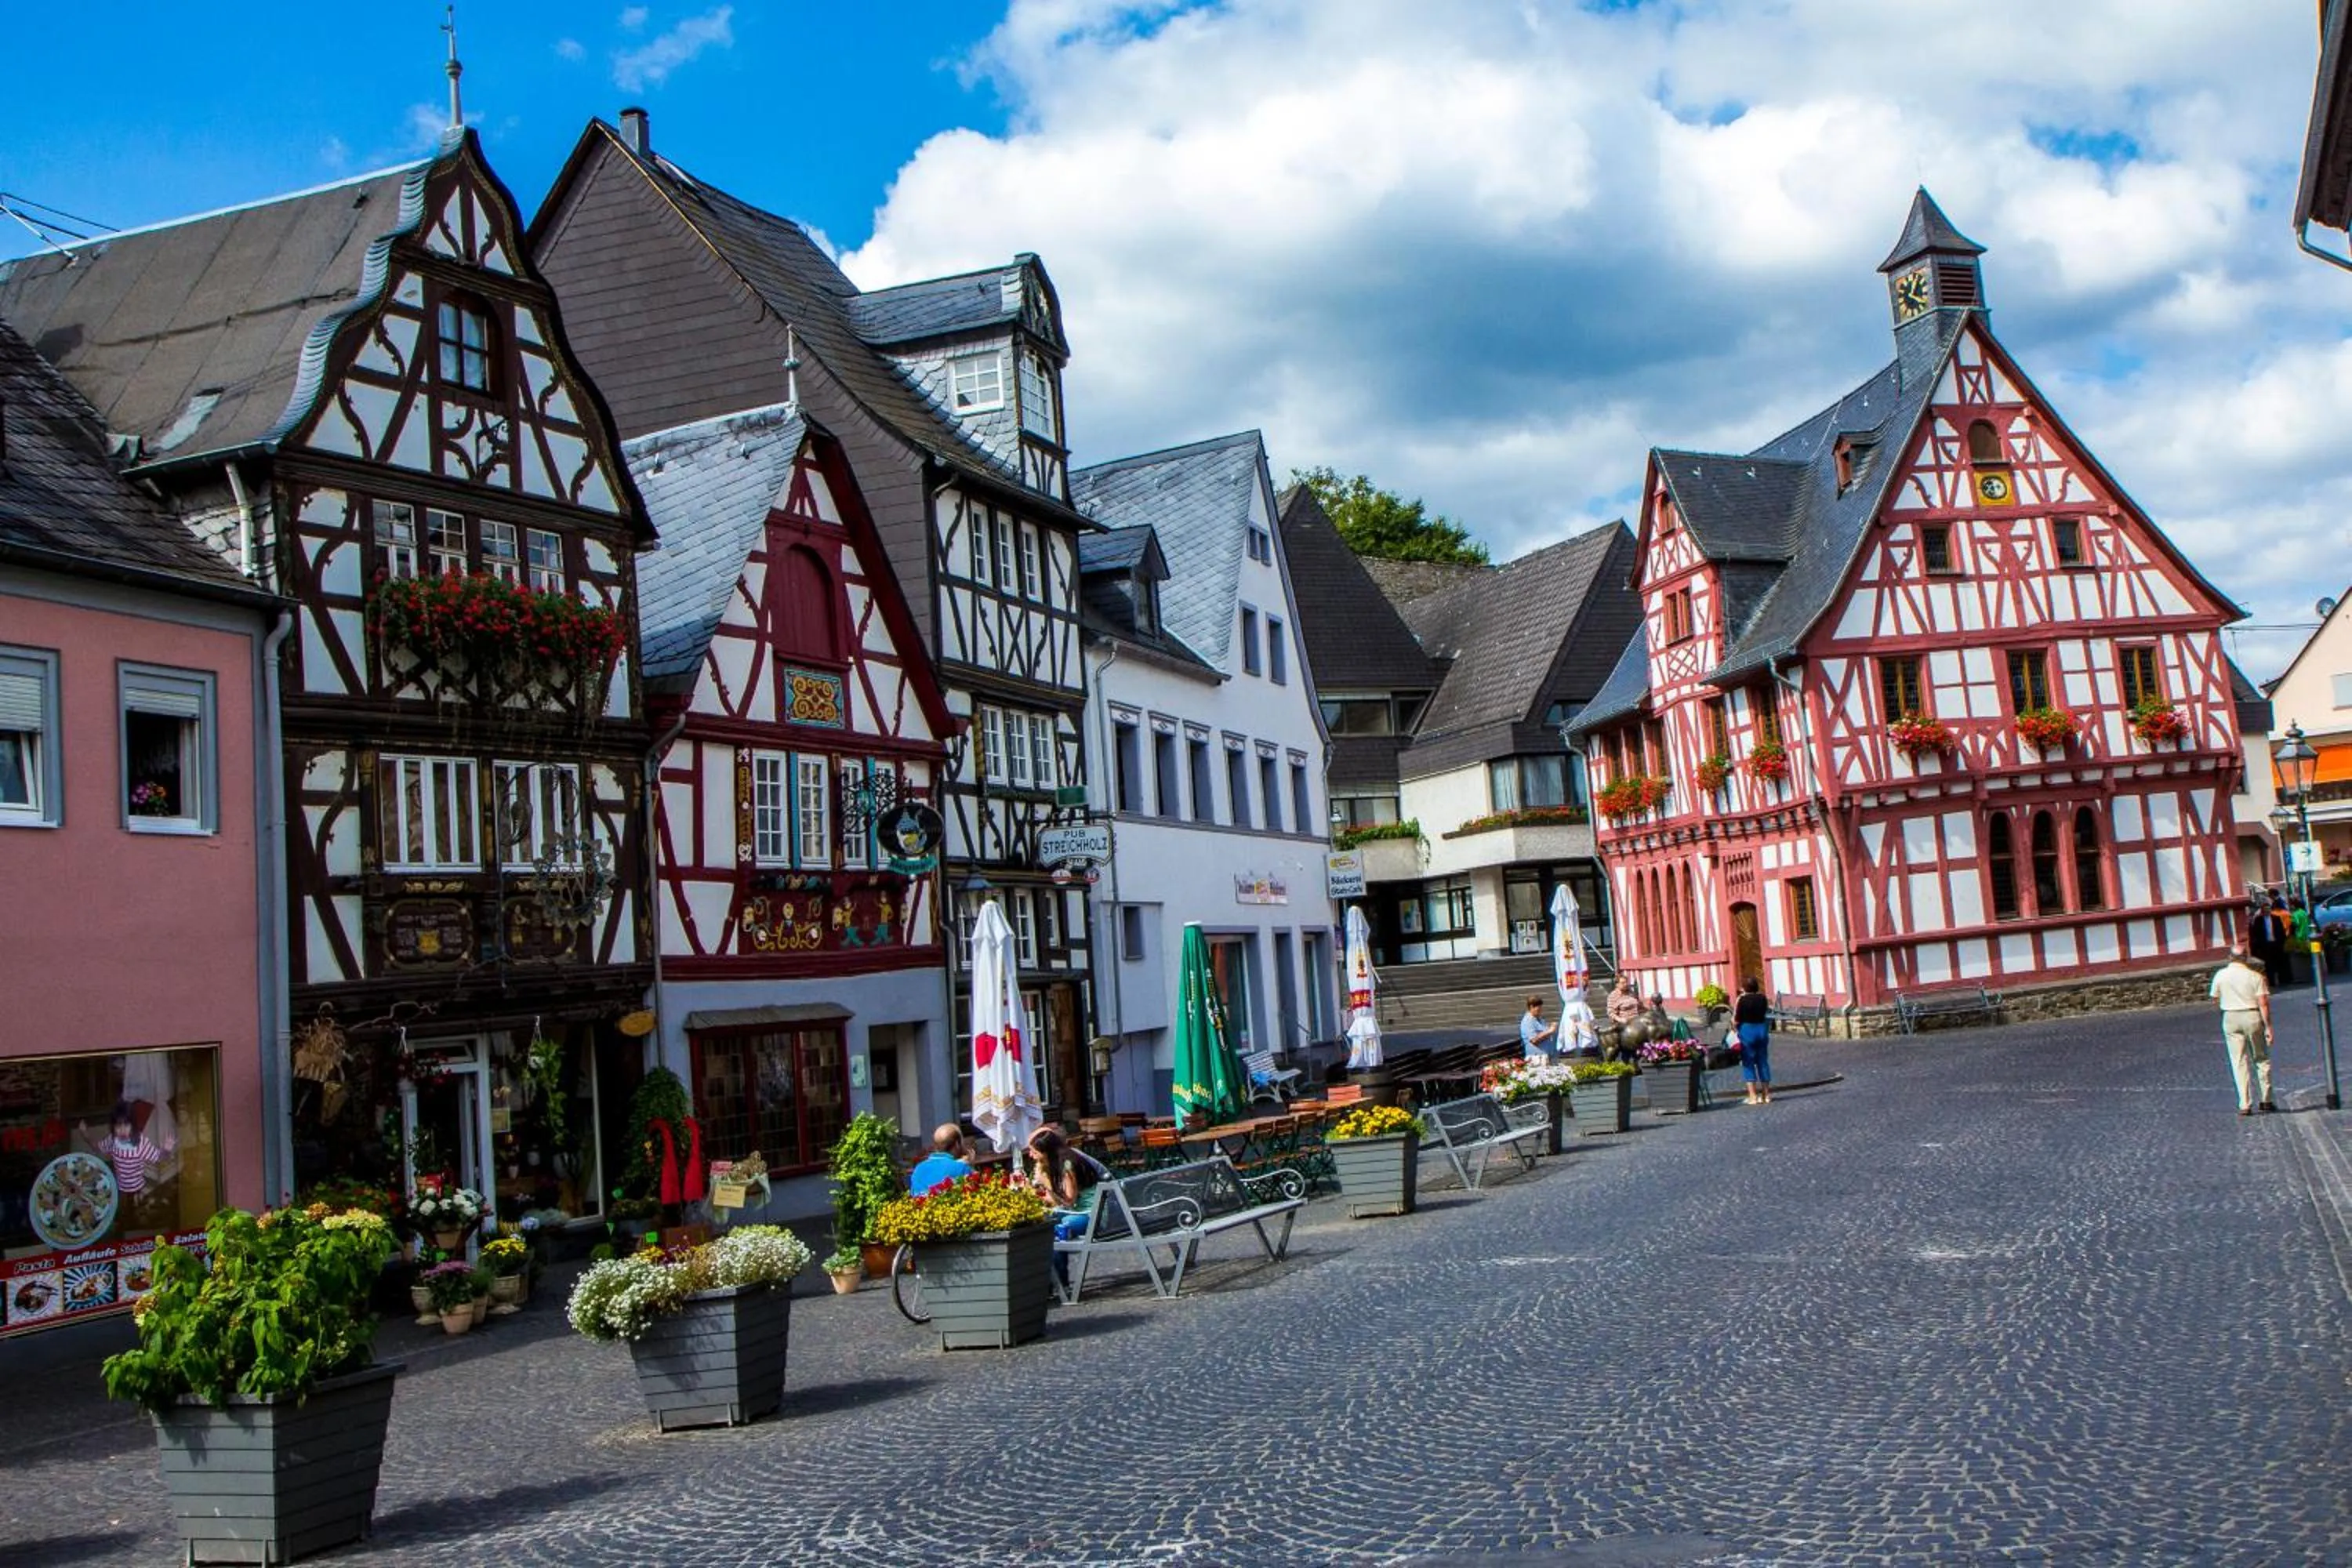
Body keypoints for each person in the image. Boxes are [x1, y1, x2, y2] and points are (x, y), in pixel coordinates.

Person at [1025, 1127, 1112, 1289]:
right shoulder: (1055, 1162)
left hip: (1094, 1215)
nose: (1031, 1156)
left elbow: (1069, 1201)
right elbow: (1058, 1203)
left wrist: (1047, 1184)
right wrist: (1034, 1193)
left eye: (1034, 1152)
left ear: (1046, 1151)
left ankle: (1060, 1283)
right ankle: (1047, 1282)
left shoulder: (1067, 1164)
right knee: (1041, 1222)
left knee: (1058, 1230)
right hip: (1079, 1211)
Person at [2208, 946, 2276, 1116]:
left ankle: (2244, 1103)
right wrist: (2268, 1026)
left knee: (2238, 1061)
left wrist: (2226, 1006)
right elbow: (2263, 1003)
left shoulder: (2221, 975)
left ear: (2230, 957)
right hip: (2252, 1014)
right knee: (2261, 1058)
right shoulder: (2255, 976)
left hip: (2230, 1016)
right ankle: (2266, 1099)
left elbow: (2214, 999)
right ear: (2246, 958)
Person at [1732, 978, 1773, 1105]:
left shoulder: (1742, 1000)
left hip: (1747, 1031)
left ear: (1744, 988)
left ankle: (1753, 1096)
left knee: (1748, 1062)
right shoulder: (1762, 998)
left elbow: (1736, 1019)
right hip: (1761, 1030)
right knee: (1763, 1062)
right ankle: (1766, 1094)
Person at [906, 1123, 973, 1194]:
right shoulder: (961, 1168)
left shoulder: (918, 1169)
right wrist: (970, 1166)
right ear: (957, 1144)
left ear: (936, 1145)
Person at [2249, 897, 2295, 989]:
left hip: (2276, 943)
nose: (2267, 911)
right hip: (2266, 944)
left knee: (2280, 961)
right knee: (2269, 964)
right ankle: (2272, 981)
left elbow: (2281, 930)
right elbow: (2256, 932)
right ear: (2262, 910)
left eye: (2269, 909)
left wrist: (2282, 941)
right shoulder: (2259, 920)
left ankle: (2284, 980)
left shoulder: (2276, 918)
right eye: (2265, 909)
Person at [1519, 996, 1559, 1060]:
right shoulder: (1528, 1021)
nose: (1541, 1010)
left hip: (1546, 1057)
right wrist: (1550, 1031)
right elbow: (1534, 1040)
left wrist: (1551, 1028)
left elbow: (1544, 1033)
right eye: (1539, 1008)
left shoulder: (1540, 1019)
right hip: (1536, 1059)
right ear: (1532, 1007)